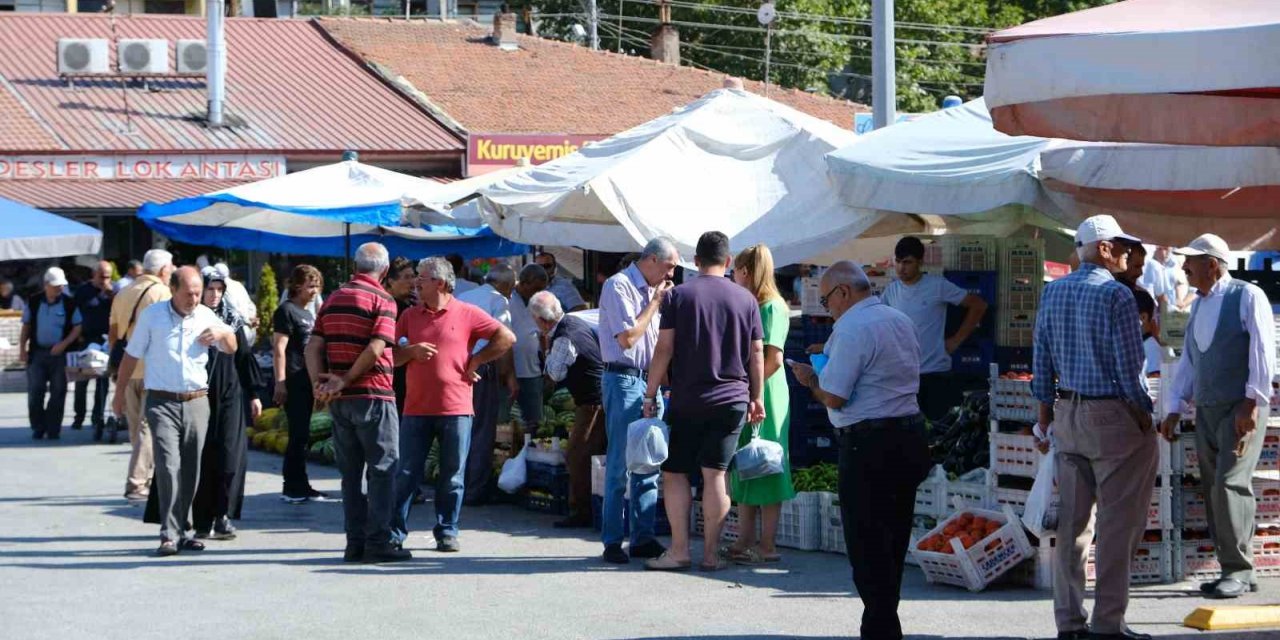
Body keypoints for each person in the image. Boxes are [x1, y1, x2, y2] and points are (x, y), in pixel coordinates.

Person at [1031, 215, 1157, 640]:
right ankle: (1107, 622)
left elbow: (1041, 360)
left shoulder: (1053, 291)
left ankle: (1069, 622)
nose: (1127, 254)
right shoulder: (1116, 294)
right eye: (1121, 247)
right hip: (1112, 416)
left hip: (1067, 413)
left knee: (1072, 526)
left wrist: (1045, 418)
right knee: (1118, 526)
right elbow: (1130, 369)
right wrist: (1143, 414)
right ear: (1103, 248)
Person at [787, 261, 928, 639]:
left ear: (844, 292)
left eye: (826, 300)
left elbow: (834, 396)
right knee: (893, 540)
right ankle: (883, 623)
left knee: (867, 545)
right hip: (908, 435)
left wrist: (810, 378)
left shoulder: (851, 328)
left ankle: (880, 628)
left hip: (869, 444)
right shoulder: (899, 320)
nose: (827, 308)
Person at [1161, 233, 1276, 599]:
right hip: (1209, 408)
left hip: (1240, 406)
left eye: (1190, 261)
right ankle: (1237, 568)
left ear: (1212, 264)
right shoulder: (1198, 304)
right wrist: (1174, 407)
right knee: (1214, 488)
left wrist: (1252, 402)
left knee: (1229, 485)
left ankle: (1238, 569)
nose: (1184, 267)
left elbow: (1263, 351)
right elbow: (1190, 360)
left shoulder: (1247, 295)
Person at [641, 232, 764, 572]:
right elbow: (756, 352)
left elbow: (663, 349)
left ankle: (680, 551)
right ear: (728, 261)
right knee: (716, 475)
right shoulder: (746, 299)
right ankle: (711, 555)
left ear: (695, 261)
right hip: (732, 400)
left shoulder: (678, 296)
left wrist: (650, 394)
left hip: (688, 400)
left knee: (676, 473)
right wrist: (757, 397)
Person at [391, 257, 515, 553]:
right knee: (406, 474)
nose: (416, 282)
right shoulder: (409, 315)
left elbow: (506, 337)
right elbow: (392, 356)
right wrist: (411, 352)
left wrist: (477, 360)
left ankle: (447, 531)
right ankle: (394, 534)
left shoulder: (467, 312)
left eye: (422, 278)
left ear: (441, 283)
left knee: (452, 476)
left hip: (456, 408)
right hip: (416, 408)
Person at [112, 267, 238, 556]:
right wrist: (118, 394)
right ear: (172, 289)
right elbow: (131, 356)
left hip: (197, 401)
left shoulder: (205, 315)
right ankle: (168, 534)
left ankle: (182, 530)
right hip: (161, 402)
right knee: (169, 466)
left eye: (197, 293)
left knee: (191, 469)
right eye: (188, 294)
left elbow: (231, 347)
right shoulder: (153, 316)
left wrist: (223, 332)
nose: (194, 299)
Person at [304, 243, 407, 563]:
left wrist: (320, 386)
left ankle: (355, 543)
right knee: (383, 471)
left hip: (340, 401)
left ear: (355, 266)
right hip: (373, 395)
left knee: (350, 476)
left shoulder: (333, 298)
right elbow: (376, 348)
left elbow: (312, 347)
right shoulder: (383, 300)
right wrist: (346, 379)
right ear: (385, 270)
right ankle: (378, 542)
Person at [597, 237, 679, 564]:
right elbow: (628, 338)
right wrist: (655, 303)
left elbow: (660, 345)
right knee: (620, 462)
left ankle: (643, 537)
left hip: (649, 380)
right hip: (623, 379)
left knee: (648, 460)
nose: (672, 274)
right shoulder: (619, 286)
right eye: (670, 266)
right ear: (652, 260)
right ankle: (612, 540)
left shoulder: (654, 290)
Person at [725, 244, 795, 565]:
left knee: (766, 462)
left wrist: (753, 391)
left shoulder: (771, 308)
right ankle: (744, 540)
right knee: (748, 462)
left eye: (736, 271)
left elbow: (774, 359)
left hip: (765, 393)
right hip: (757, 391)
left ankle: (766, 544)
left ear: (746, 272)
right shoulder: (758, 305)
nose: (734, 277)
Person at [881, 236, 988, 421]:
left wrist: (956, 340)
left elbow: (978, 305)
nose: (901, 268)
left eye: (907, 262)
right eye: (897, 262)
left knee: (938, 430)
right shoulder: (891, 291)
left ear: (920, 262)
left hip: (935, 374)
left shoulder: (937, 285)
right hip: (903, 377)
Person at [192, 268, 264, 541]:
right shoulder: (189, 319)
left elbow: (244, 356)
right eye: (210, 289)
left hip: (230, 394)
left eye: (219, 290)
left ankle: (223, 514)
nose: (214, 295)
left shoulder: (231, 319)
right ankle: (201, 519)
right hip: (198, 395)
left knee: (229, 456)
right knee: (202, 458)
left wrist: (254, 394)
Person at [528, 290, 605, 528]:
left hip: (592, 402)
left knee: (577, 455)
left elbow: (554, 373)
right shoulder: (573, 321)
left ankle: (582, 511)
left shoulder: (563, 337)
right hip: (596, 398)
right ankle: (590, 507)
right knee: (592, 452)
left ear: (542, 321)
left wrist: (545, 347)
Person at [109, 249, 174, 501]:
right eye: (170, 267)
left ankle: (146, 479)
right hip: (152, 368)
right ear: (163, 270)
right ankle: (136, 483)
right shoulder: (162, 293)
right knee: (147, 428)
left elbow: (113, 333)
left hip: (128, 367)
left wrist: (116, 367)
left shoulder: (123, 292)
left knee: (137, 430)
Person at [457, 263, 517, 505]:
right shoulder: (498, 300)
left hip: (459, 365)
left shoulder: (464, 296)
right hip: (482, 367)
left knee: (462, 426)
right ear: (505, 284)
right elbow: (505, 342)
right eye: (511, 287)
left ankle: (457, 486)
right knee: (482, 429)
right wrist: (509, 376)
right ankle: (475, 490)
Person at [273, 265, 329, 504]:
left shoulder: (309, 313)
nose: (315, 291)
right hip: (293, 380)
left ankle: (302, 483)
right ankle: (291, 486)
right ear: (297, 286)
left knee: (303, 435)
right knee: (297, 435)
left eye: (317, 286)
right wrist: (280, 382)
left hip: (307, 381)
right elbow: (279, 348)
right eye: (310, 286)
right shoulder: (286, 311)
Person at [19, 267, 83, 441]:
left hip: (60, 355)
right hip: (37, 353)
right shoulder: (33, 302)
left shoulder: (69, 303)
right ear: (46, 285)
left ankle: (53, 428)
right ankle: (38, 427)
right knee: (35, 392)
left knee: (58, 392)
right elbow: (26, 326)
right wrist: (22, 349)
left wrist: (64, 344)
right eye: (55, 285)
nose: (59, 288)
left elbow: (77, 327)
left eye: (61, 285)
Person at [71, 261, 114, 432]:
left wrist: (111, 295)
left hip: (105, 340)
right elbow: (74, 313)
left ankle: (98, 417)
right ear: (94, 275)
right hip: (86, 339)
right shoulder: (83, 291)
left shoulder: (114, 292)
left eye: (108, 277)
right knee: (82, 380)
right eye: (102, 276)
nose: (105, 280)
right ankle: (79, 416)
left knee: (102, 380)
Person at [508, 264, 549, 429]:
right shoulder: (507, 297)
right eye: (536, 289)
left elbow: (544, 333)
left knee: (534, 422)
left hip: (532, 370)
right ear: (523, 283)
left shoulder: (541, 301)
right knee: (506, 423)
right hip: (508, 370)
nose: (539, 293)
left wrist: (547, 361)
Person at [383, 256, 418, 414]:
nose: (413, 282)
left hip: (410, 376)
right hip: (390, 376)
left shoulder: (413, 304)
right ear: (391, 281)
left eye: (413, 276)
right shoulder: (384, 306)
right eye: (407, 277)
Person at [216, 263, 260, 345]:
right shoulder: (238, 285)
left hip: (239, 331)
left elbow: (235, 310)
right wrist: (252, 317)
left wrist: (248, 322)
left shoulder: (223, 289)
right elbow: (251, 305)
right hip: (248, 330)